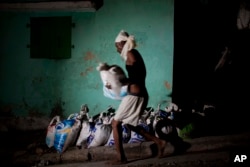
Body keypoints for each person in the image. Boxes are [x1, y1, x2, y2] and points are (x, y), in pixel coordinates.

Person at [108, 30, 167, 165]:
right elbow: (136, 77)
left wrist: (117, 82)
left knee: (115, 123)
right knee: (130, 124)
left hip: (135, 96)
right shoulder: (134, 53)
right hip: (139, 94)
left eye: (117, 45)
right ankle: (160, 142)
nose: (116, 49)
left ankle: (121, 158)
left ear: (123, 43)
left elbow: (135, 78)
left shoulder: (130, 54)